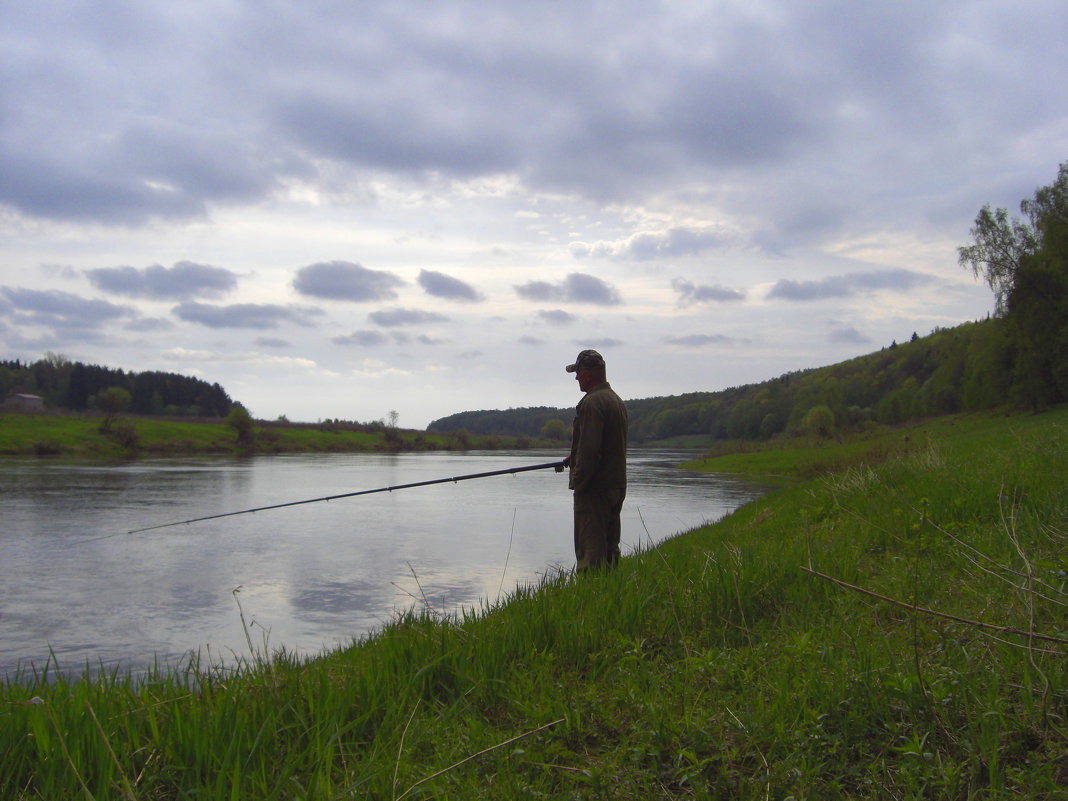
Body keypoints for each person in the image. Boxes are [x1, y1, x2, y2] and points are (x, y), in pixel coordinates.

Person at [559, 349, 628, 571]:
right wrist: (575, 457)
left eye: (578, 373)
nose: (577, 378)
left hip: (594, 490)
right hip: (615, 486)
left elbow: (590, 453)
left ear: (587, 375)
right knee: (610, 550)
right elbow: (606, 445)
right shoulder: (615, 400)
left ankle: (590, 600)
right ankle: (613, 595)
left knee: (590, 556)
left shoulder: (592, 403)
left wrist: (578, 484)